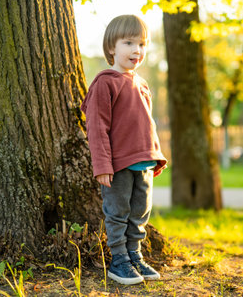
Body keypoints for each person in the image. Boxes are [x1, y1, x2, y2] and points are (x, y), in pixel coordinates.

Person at [81, 15, 167, 285]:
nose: (136, 50)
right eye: (128, 43)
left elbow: (145, 124)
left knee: (140, 213)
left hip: (143, 162)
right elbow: (97, 127)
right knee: (117, 212)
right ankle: (118, 260)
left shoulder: (141, 84)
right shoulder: (105, 83)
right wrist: (102, 165)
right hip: (118, 165)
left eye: (141, 44)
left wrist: (155, 156)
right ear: (111, 48)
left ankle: (134, 255)